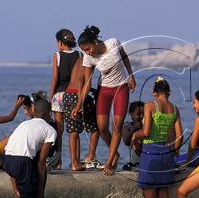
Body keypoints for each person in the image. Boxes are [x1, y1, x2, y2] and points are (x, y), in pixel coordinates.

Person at [73, 25, 136, 176]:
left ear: (95, 42)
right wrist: (79, 104)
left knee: (117, 125)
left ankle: (109, 161)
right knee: (101, 127)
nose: (87, 53)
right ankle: (115, 153)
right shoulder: (88, 58)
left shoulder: (113, 43)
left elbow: (125, 57)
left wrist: (131, 75)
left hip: (121, 87)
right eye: (84, 50)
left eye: (88, 48)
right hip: (104, 89)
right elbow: (88, 82)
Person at [3, 99, 57, 198]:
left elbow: (13, 150)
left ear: (33, 111)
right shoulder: (49, 130)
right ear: (49, 114)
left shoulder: (24, 124)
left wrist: (15, 185)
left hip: (7, 161)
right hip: (23, 163)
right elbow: (41, 163)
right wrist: (40, 195)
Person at [131, 78, 182, 198]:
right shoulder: (175, 109)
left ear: (154, 92)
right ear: (169, 92)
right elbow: (179, 136)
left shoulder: (150, 106)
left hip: (150, 153)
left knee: (150, 196)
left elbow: (146, 132)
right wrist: (174, 151)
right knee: (164, 195)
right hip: (167, 154)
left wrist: (134, 135)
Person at [64, 50, 100, 171]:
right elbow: (81, 80)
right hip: (77, 96)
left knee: (73, 131)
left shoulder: (79, 59)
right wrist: (80, 103)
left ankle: (75, 162)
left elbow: (77, 79)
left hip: (68, 94)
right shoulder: (89, 59)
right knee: (96, 128)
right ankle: (90, 156)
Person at [49, 28, 79, 170]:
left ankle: (58, 161)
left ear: (60, 42)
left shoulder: (57, 55)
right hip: (73, 95)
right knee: (73, 131)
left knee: (59, 130)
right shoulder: (79, 55)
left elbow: (55, 77)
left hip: (59, 95)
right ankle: (75, 161)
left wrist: (51, 95)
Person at [122, 100, 144, 169]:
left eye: (144, 114)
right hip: (136, 157)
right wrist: (135, 128)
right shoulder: (128, 125)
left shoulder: (148, 126)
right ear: (132, 114)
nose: (141, 116)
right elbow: (126, 142)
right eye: (138, 114)